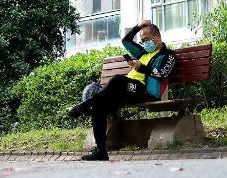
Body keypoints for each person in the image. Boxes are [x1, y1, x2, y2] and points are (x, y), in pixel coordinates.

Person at [68, 19, 177, 162]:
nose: (145, 43)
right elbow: (126, 41)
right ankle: (101, 151)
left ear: (157, 37)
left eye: (147, 39)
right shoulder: (142, 53)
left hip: (145, 92)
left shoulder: (168, 55)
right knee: (99, 108)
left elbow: (162, 73)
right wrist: (138, 26)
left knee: (118, 79)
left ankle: (83, 106)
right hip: (128, 90)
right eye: (142, 41)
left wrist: (141, 68)